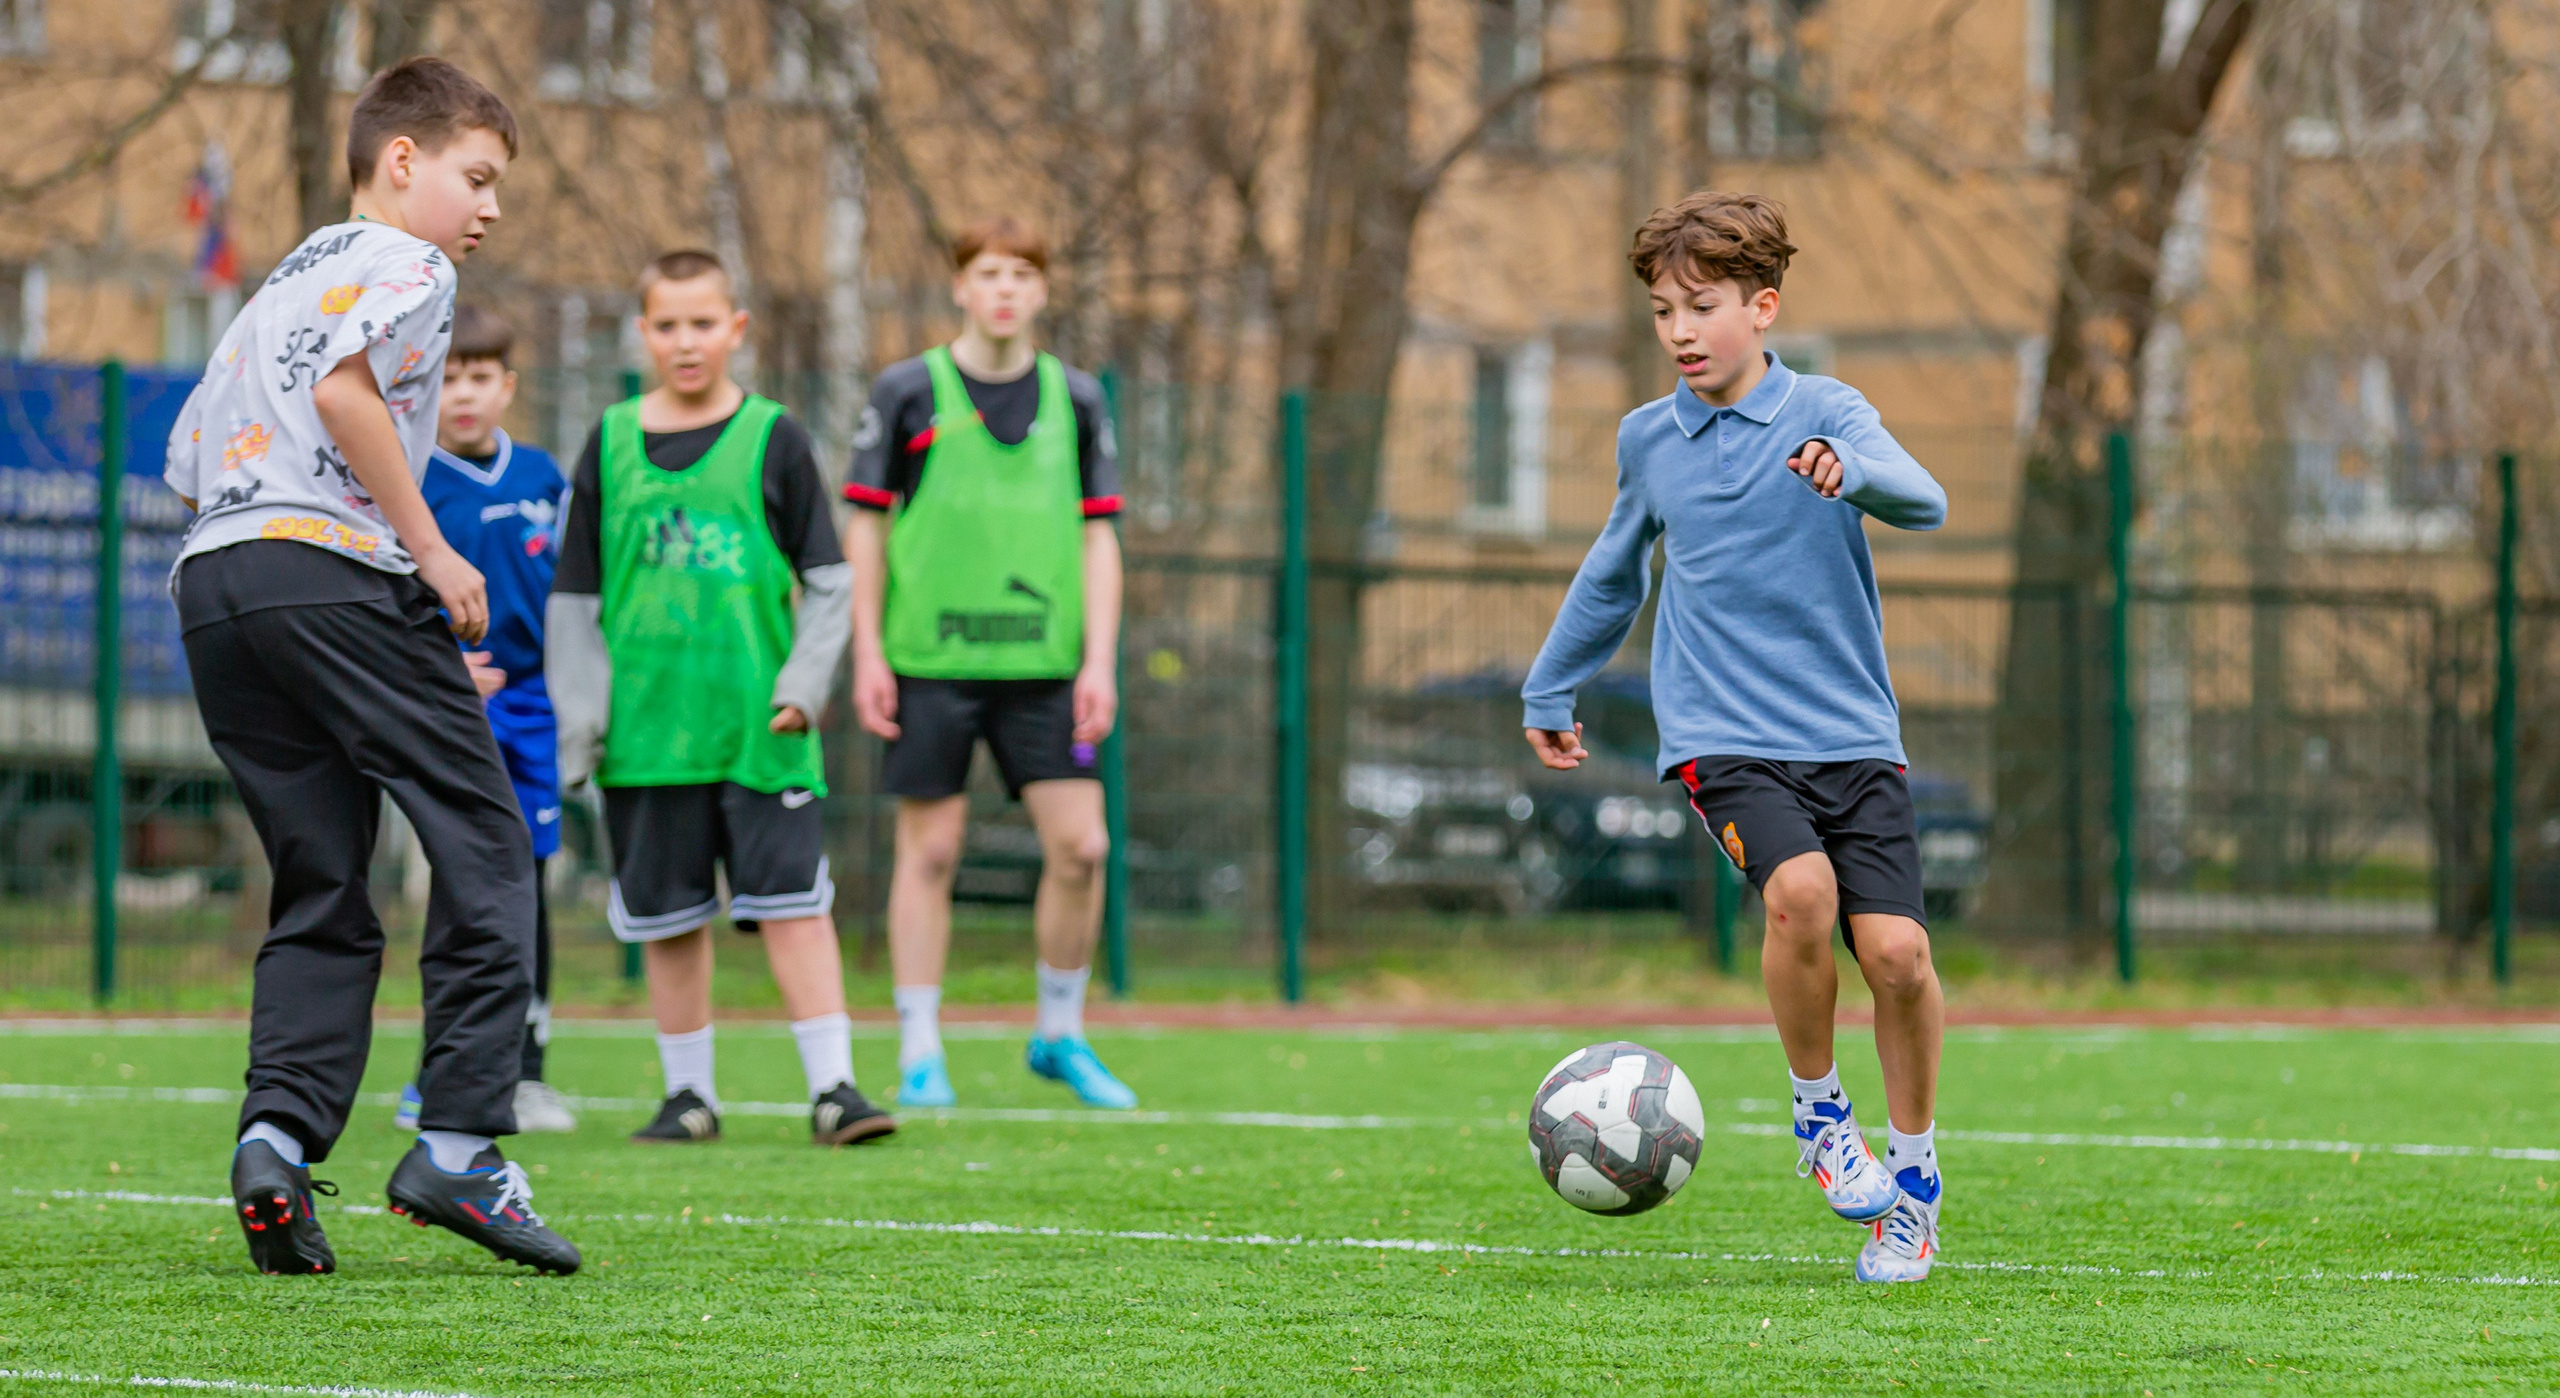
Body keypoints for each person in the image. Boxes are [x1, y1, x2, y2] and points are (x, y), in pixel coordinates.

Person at [162, 56, 578, 1276]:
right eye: (478, 176)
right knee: (486, 836)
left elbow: (189, 464)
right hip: (330, 569)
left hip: (218, 586)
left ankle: (278, 1140)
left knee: (322, 883)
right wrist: (430, 552)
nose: (489, 208)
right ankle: (456, 1145)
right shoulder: (408, 261)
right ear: (404, 162)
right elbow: (348, 395)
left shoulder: (272, 287)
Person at [1520, 191, 1950, 1283]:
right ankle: (1818, 1117)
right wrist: (1549, 688)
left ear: (1762, 307)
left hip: (1851, 733)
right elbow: (1615, 572)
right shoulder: (1648, 440)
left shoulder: (1829, 409)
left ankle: (1912, 1185)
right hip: (1722, 731)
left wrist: (1853, 473)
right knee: (1798, 895)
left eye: (1700, 306)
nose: (1678, 330)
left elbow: (1925, 500)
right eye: (1663, 309)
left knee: (1897, 957)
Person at [547, 249, 894, 1148]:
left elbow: (827, 578)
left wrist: (802, 686)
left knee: (794, 909)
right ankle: (688, 1097)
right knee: (668, 919)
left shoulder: (775, 437)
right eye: (667, 325)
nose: (686, 341)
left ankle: (836, 1090)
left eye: (704, 323)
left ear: (736, 330)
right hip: (648, 735)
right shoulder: (611, 441)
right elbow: (576, 600)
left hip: (760, 729)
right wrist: (581, 720)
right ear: (643, 333)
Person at [843, 216, 1134, 1112]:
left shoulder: (1076, 398)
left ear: (1042, 291)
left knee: (1083, 846)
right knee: (931, 850)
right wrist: (867, 652)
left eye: (1022, 274)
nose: (1005, 288)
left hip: (1045, 667)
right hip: (930, 661)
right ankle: (922, 1050)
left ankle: (1058, 1033)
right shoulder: (907, 391)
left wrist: (1099, 660)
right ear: (961, 286)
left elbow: (1099, 537)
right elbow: (865, 526)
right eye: (988, 273)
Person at [392, 303, 577, 1136]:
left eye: (479, 377)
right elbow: (388, 598)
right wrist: (439, 670)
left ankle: (526, 1071)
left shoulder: (543, 478)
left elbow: (575, 599)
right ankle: (438, 1067)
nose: (462, 394)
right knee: (460, 885)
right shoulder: (408, 479)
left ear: (507, 386)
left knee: (527, 885)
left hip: (534, 711)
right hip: (448, 709)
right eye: (448, 377)